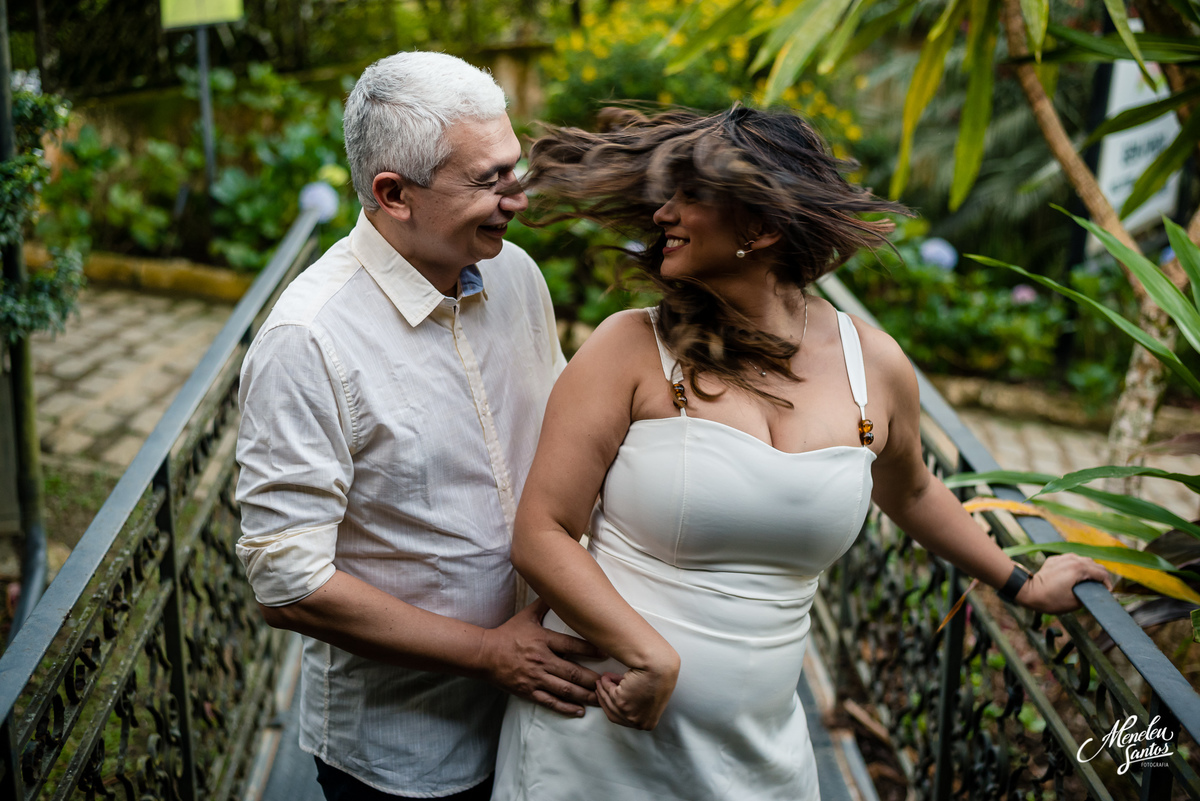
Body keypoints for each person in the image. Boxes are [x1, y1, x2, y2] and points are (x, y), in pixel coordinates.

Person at [490, 106, 1112, 801]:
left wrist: (1021, 584)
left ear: (761, 227)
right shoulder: (629, 347)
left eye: (691, 195)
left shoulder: (871, 365)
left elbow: (909, 491)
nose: (663, 213)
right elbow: (542, 532)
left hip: (758, 757)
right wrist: (647, 655)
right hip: (595, 738)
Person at [234, 52, 602, 801]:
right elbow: (286, 581)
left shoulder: (517, 276)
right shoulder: (308, 338)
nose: (517, 198)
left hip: (547, 716)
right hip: (407, 752)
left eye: (514, 169)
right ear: (393, 194)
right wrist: (492, 653)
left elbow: (570, 442)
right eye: (489, 181)